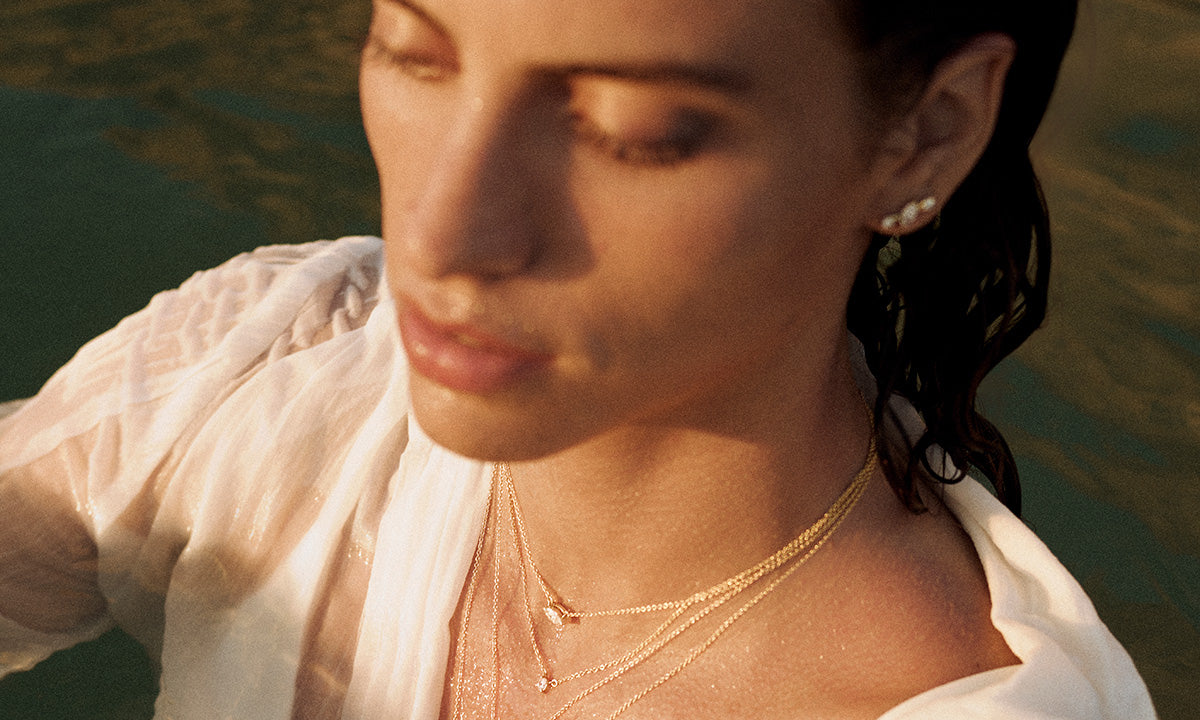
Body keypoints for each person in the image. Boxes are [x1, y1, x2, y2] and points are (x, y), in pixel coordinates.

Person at [0, 0, 1158, 717]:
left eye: (630, 131)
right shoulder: (279, 366)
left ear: (928, 131)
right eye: (414, 53)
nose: (442, 237)